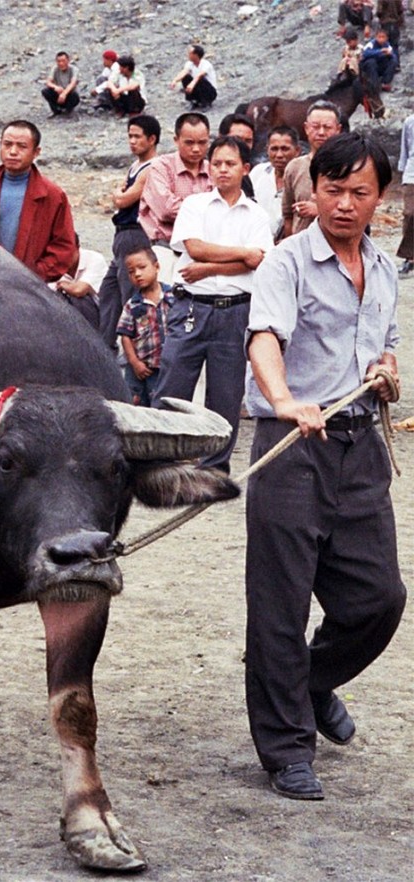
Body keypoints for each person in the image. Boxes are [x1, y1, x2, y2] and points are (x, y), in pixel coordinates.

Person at [244, 132, 406, 800]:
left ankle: (308, 682)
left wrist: (386, 371)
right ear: (310, 194)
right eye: (331, 189)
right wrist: (286, 402)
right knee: (279, 606)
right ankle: (286, 749)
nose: (342, 203)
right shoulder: (287, 262)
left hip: (361, 445)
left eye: (358, 192)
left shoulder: (386, 268)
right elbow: (264, 340)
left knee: (379, 599)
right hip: (294, 449)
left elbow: (384, 346)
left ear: (381, 198)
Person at [149, 135, 273, 472]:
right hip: (192, 306)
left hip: (235, 309)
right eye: (216, 163)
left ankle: (214, 468)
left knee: (226, 393)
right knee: (173, 382)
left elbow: (259, 260)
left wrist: (209, 267)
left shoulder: (257, 215)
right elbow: (195, 246)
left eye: (230, 164)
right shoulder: (195, 205)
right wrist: (242, 254)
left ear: (245, 168)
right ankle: (159, 460)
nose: (222, 170)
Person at [0, 119, 76, 283]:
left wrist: (33, 275)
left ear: (36, 152)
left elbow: (63, 247)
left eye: (22, 146)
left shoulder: (52, 195)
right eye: (7, 144)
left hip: (27, 287)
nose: (13, 152)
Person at [98, 114, 160, 349]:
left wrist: (117, 193)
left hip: (135, 233)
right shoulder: (136, 165)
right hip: (122, 234)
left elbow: (124, 199)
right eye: (130, 136)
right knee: (109, 293)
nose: (132, 141)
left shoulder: (151, 167)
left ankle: (139, 351)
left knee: (131, 293)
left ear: (152, 139)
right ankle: (106, 350)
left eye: (137, 136)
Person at [139, 111, 212, 284]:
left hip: (203, 250)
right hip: (165, 247)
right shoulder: (161, 167)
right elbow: (165, 209)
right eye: (189, 142)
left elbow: (222, 209)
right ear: (176, 140)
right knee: (163, 301)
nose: (196, 149)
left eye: (202, 143)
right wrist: (205, 212)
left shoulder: (213, 169)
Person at [116, 247, 171, 406]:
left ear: (157, 267)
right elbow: (126, 336)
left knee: (165, 407)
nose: (137, 274)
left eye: (142, 268)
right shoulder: (132, 305)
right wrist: (134, 362)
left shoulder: (173, 297)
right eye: (131, 272)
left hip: (168, 368)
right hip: (143, 369)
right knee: (138, 406)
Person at [281, 100, 342, 238]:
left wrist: (320, 211)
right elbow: (288, 215)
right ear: (306, 128)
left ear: (338, 130)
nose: (321, 132)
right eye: (315, 126)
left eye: (327, 127)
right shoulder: (294, 167)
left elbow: (360, 212)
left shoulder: (348, 167)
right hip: (301, 247)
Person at [250, 125, 301, 239]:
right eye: (274, 149)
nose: (279, 155)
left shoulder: (304, 178)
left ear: (297, 151)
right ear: (267, 150)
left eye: (285, 149)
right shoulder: (258, 172)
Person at [51, 235, 108, 330]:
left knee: (79, 300)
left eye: (68, 253)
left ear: (78, 247)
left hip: (98, 315)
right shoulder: (52, 264)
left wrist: (62, 285)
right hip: (66, 317)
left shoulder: (94, 259)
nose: (64, 258)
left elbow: (79, 290)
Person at [218, 112, 256, 198]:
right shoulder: (208, 171)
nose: (242, 145)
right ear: (220, 138)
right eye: (237, 139)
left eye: (248, 141)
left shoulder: (248, 173)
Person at [169, 44, 217, 110]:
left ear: (196, 55)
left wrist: (192, 84)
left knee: (201, 80)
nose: (188, 54)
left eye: (190, 53)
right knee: (186, 77)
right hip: (197, 88)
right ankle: (193, 100)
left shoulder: (206, 64)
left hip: (209, 92)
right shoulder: (189, 64)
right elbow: (184, 72)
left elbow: (200, 75)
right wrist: (175, 80)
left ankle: (206, 103)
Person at [397, 112, 414, 276]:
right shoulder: (410, 121)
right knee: (410, 213)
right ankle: (409, 257)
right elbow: (406, 148)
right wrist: (402, 170)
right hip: (412, 174)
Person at [41, 51, 80, 117]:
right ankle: (55, 110)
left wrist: (64, 93)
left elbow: (73, 83)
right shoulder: (55, 68)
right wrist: (55, 87)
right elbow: (48, 82)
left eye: (63, 61)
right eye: (59, 61)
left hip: (69, 94)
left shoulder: (74, 69)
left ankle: (69, 110)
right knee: (45, 91)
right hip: (58, 93)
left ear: (68, 60)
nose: (61, 63)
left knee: (74, 95)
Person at [360, 28, 397, 92]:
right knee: (371, 62)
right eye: (379, 37)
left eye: (383, 37)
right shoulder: (371, 44)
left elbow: (394, 57)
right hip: (369, 67)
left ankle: (385, 83)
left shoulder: (387, 46)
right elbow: (365, 53)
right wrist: (379, 51)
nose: (381, 39)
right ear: (376, 37)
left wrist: (390, 54)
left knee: (393, 62)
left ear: (386, 38)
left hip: (380, 66)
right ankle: (375, 84)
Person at [376, 1, 404, 67]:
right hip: (395, 23)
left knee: (385, 44)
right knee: (395, 45)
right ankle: (396, 64)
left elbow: (379, 11)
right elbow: (400, 10)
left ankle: (387, 64)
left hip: (385, 23)